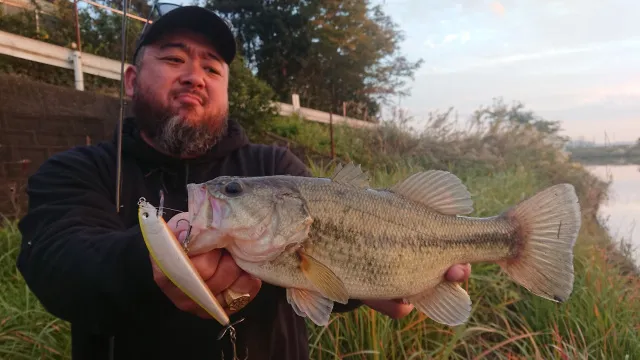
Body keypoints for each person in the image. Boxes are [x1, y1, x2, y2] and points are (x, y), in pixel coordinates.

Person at [15, 5, 471, 360]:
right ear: (131, 80)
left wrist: (393, 284)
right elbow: (56, 264)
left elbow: (323, 273)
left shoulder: (275, 165)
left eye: (213, 69)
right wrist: (153, 262)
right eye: (174, 58)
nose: (195, 76)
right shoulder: (76, 170)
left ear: (227, 91)